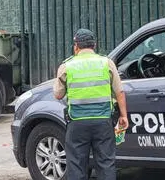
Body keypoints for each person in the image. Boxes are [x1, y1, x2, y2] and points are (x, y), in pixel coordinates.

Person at [53, 29, 128, 180]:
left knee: (76, 165)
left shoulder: (67, 66)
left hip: (77, 123)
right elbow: (119, 92)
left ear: (76, 46)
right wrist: (123, 115)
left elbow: (58, 94)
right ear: (94, 45)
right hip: (103, 121)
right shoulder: (106, 63)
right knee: (106, 163)